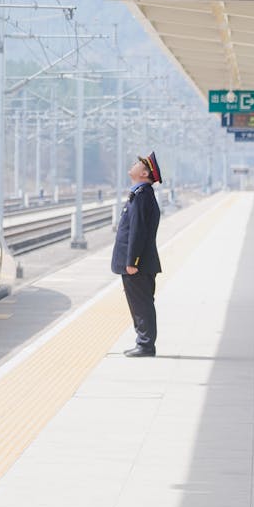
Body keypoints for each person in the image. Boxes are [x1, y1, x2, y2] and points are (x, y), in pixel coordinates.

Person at [112, 152, 162, 357]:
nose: (131, 165)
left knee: (141, 304)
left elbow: (138, 231)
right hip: (139, 263)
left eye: (136, 164)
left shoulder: (142, 196)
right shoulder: (140, 194)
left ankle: (145, 344)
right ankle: (144, 342)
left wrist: (132, 261)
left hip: (137, 265)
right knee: (141, 303)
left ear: (143, 173)